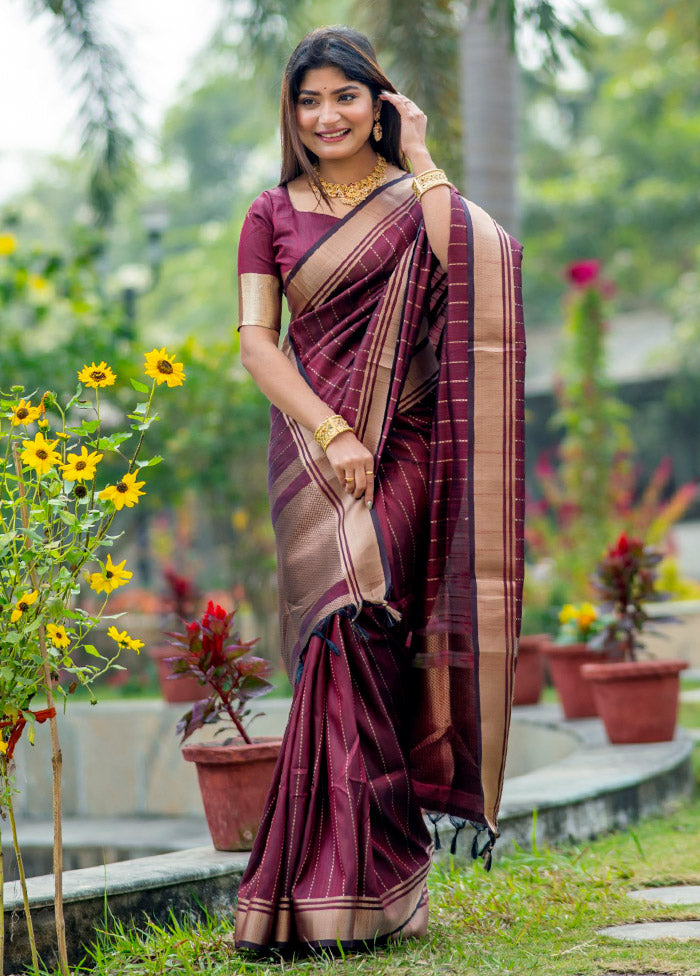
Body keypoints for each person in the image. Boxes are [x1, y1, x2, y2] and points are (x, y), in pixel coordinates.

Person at [234, 26, 525, 953]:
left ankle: (364, 870)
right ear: (293, 111)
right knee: (334, 641)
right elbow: (255, 344)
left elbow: (483, 266)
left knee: (366, 628)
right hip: (314, 453)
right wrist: (329, 430)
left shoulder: (413, 201)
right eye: (309, 100)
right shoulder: (268, 212)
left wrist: (426, 155)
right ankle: (339, 884)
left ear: (380, 101)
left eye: (346, 97)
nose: (327, 115)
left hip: (403, 448)